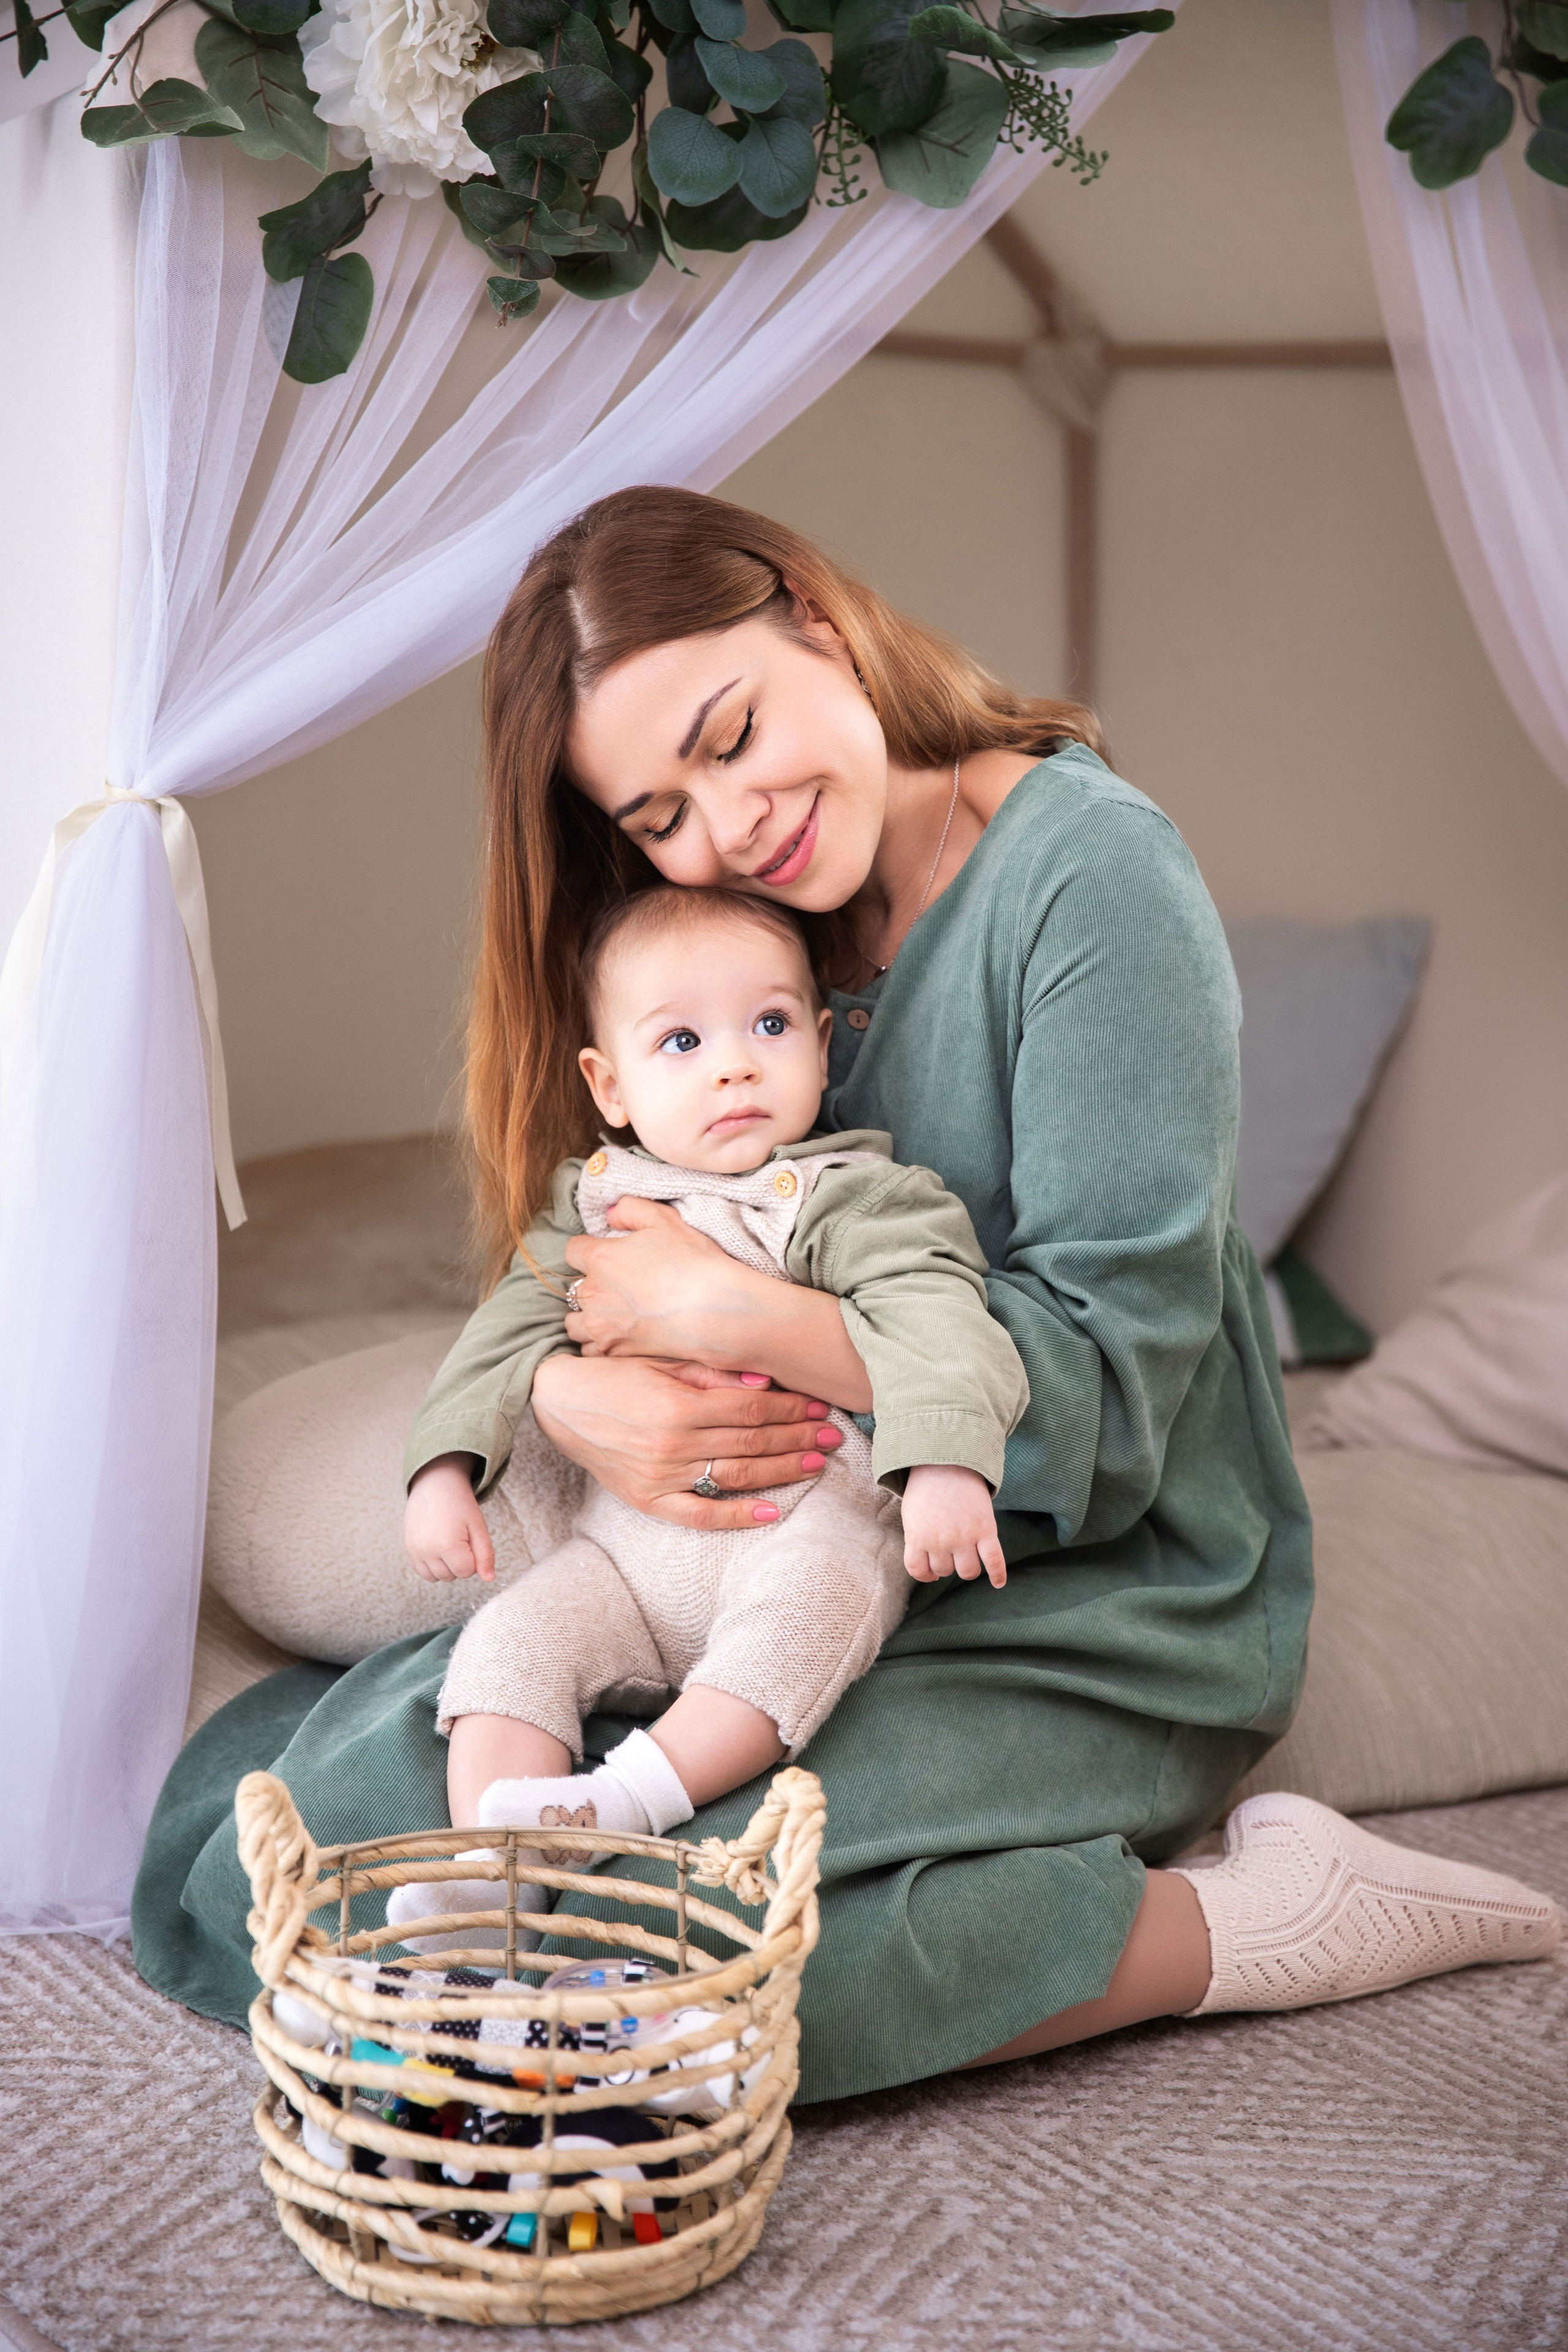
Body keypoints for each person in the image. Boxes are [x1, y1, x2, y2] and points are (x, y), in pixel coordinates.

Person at [133, 484, 1558, 2095]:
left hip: (1089, 1575)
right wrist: (562, 1389)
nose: (728, 829)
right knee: (322, 1848)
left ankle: (1247, 1928)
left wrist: (735, 1323)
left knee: (693, 1964)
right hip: (750, 1553)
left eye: (731, 735)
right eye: (660, 816)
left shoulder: (1090, 880)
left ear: (814, 615)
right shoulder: (752, 924)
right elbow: (626, 1228)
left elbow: (1112, 1380)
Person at [385, 881, 1027, 1947]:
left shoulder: (853, 1195)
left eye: (770, 1025)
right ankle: (486, 1882)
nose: (735, 1063)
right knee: (509, 1642)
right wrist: (444, 1466)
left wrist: (948, 1468)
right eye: (679, 1040)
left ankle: (626, 1804)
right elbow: (500, 1335)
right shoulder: (591, 1207)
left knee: (811, 1614)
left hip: (800, 1527)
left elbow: (937, 1321)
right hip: (629, 1558)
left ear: (823, 1045)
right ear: (612, 1084)